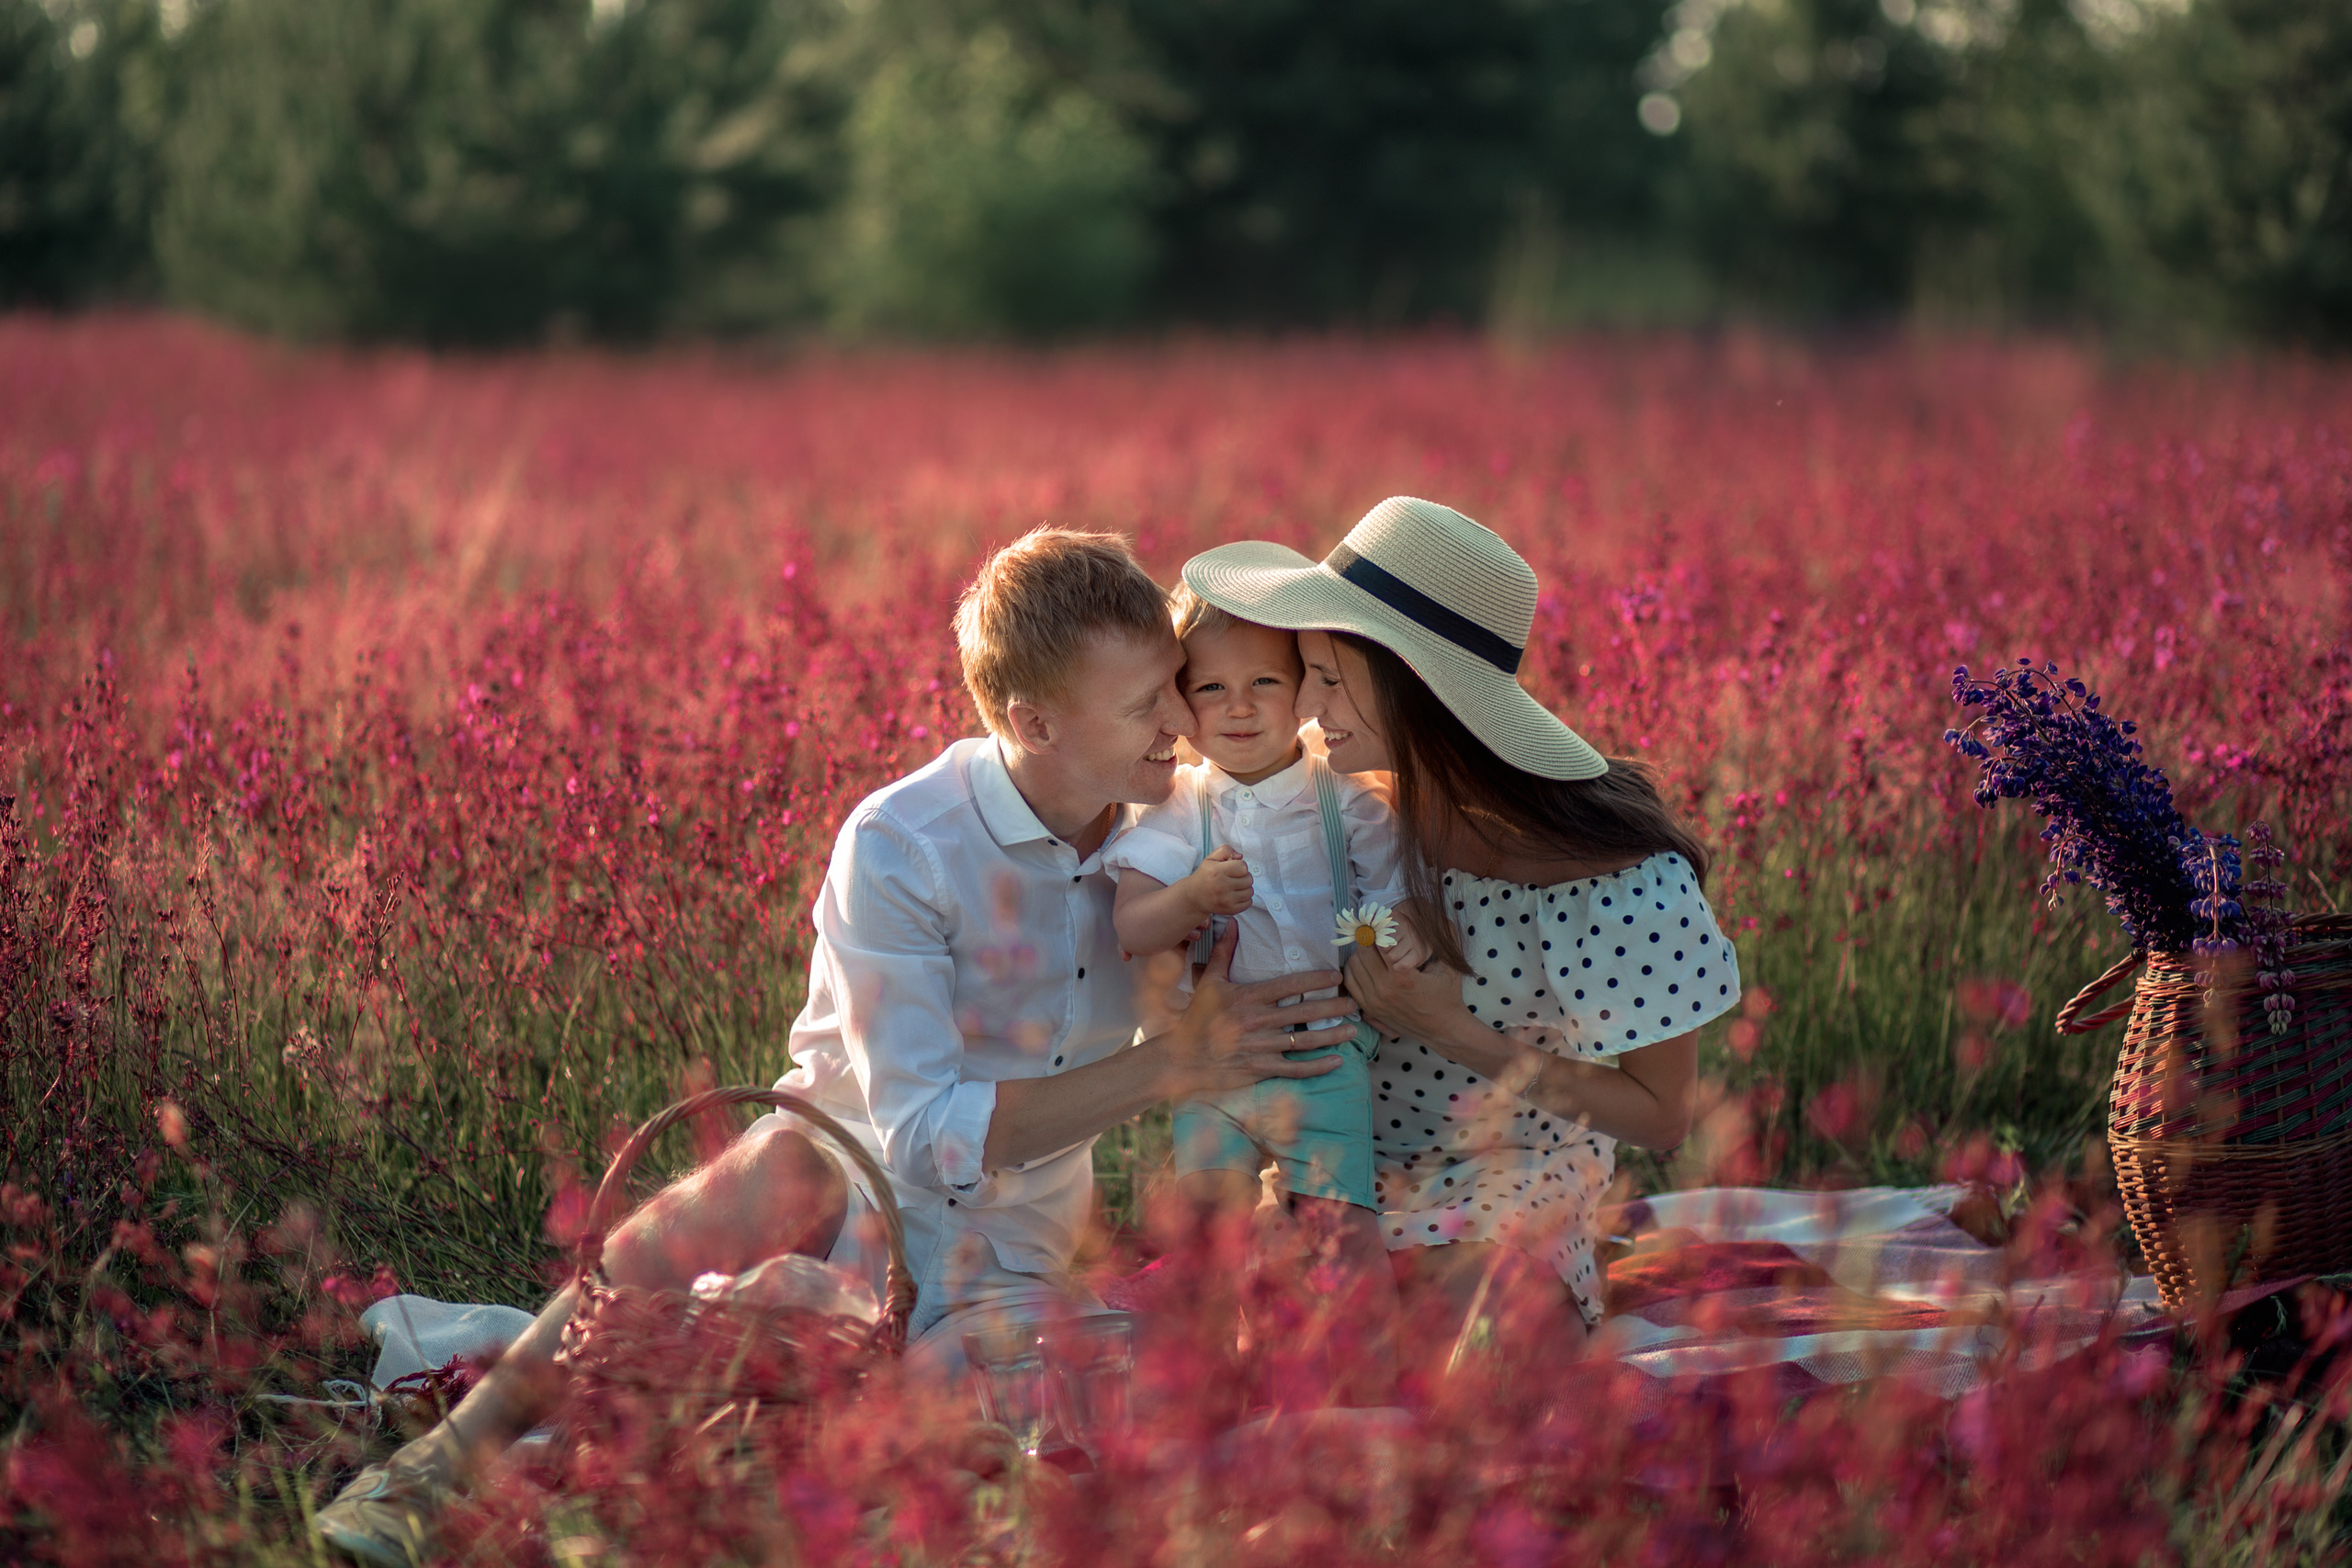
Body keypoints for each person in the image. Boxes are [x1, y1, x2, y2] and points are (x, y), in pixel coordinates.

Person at [314, 528, 1360, 1566]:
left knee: (1093, 1434)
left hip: (1017, 1257)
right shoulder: (903, 846)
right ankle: (446, 1459)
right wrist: (1170, 1067)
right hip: (830, 1214)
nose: (1181, 722)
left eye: (1176, 689)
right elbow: (916, 1138)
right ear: (1035, 721)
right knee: (778, 1165)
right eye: (1146, 705)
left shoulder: (1176, 823)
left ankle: (805, 1427)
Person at [1182, 496, 1739, 1367]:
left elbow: (1663, 1117)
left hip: (1509, 1172)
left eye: (1328, 676)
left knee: (1472, 1364)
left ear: (1415, 683)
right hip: (1346, 1159)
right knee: (1305, 1371)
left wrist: (1452, 1032)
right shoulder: (1353, 809)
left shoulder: (1616, 880)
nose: (1305, 705)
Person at [1102, 584, 1425, 1402]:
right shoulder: (1178, 812)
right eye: (1210, 687)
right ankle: (1204, 1390)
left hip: (1323, 1054)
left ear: (1305, 694)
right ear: (1182, 701)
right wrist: (1189, 900)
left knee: (1342, 1228)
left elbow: (1394, 912)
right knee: (1206, 1227)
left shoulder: (1349, 807)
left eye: (1265, 683)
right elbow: (1132, 926)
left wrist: (1387, 956)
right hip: (1216, 1072)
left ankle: (1361, 1396)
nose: (1238, 707)